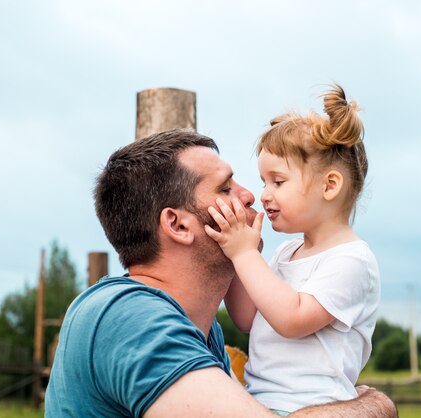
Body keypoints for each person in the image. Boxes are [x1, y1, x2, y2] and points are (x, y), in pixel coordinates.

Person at [44, 128, 397, 417]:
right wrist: (374, 408)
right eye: (226, 188)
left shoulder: (201, 330)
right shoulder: (128, 318)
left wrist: (246, 256)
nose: (251, 198)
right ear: (178, 224)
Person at [205, 85, 380, 415]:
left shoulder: (352, 260)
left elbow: (292, 318)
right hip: (260, 403)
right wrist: (235, 251)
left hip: (312, 408)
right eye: (263, 181)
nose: (264, 195)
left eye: (278, 182)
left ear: (329, 186)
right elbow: (246, 317)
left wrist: (245, 255)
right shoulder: (287, 252)